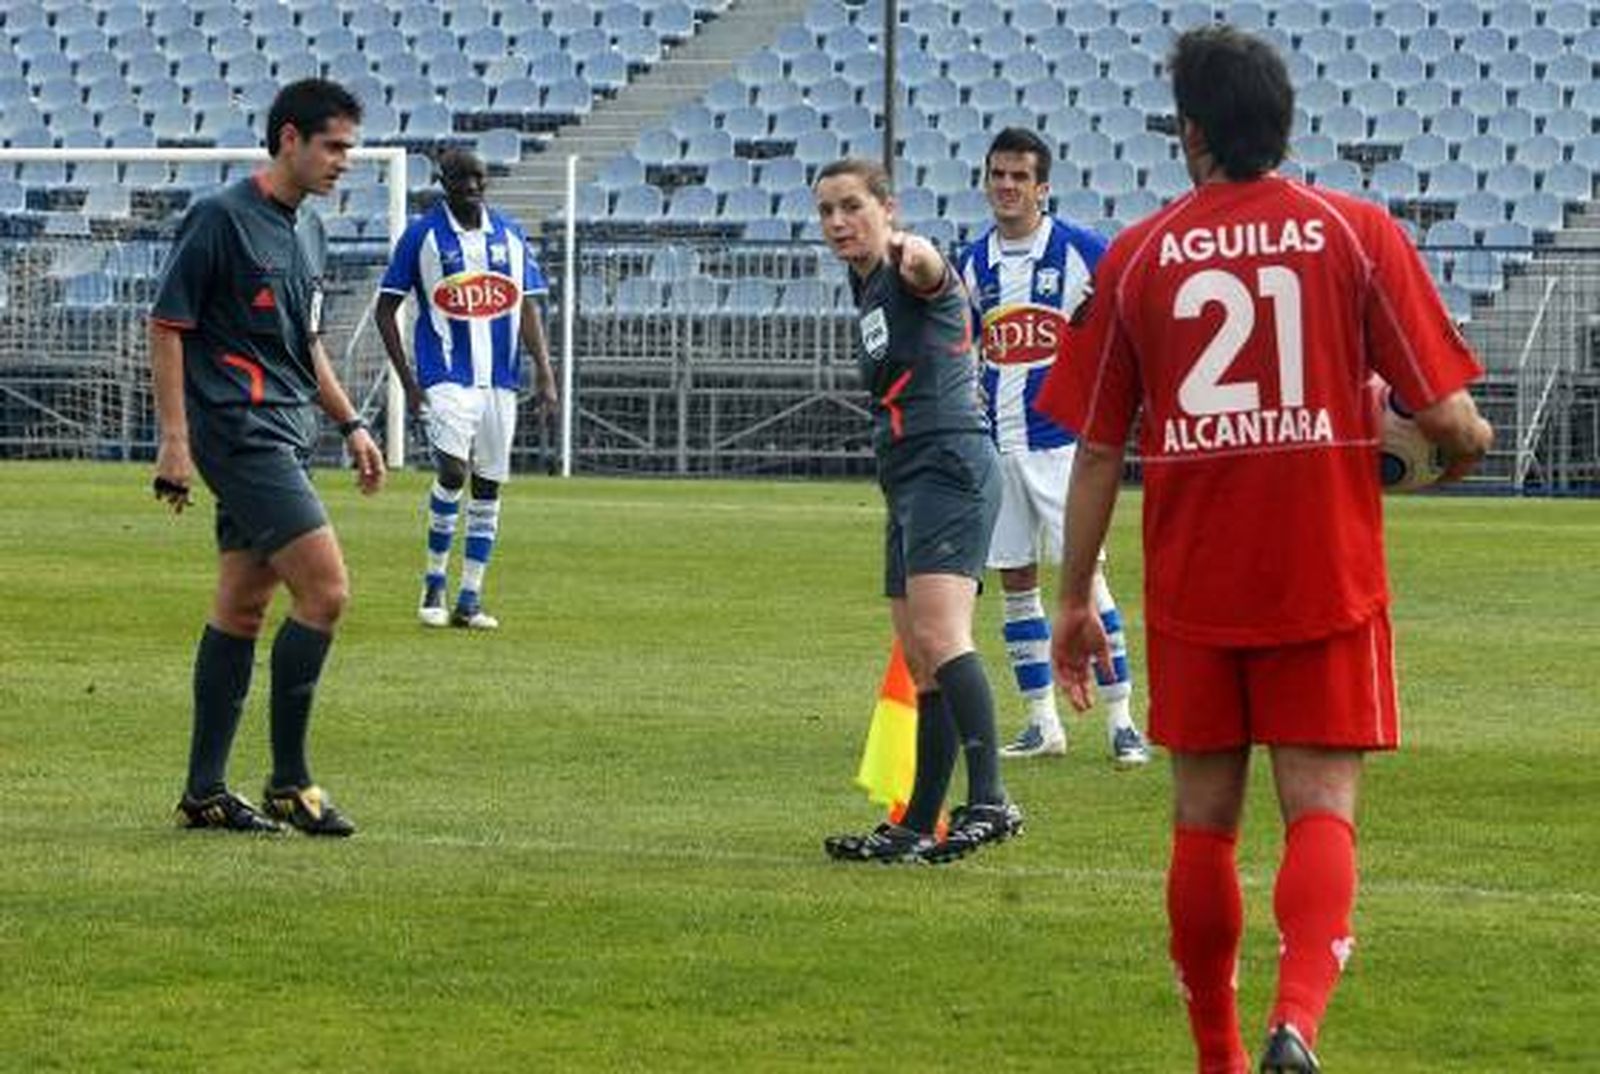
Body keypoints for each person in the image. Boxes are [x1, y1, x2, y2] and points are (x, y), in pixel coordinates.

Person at [1043, 26, 1493, 1074]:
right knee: (1319, 809)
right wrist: (1448, 453)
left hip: (1196, 579)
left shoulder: (1141, 255)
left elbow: (1099, 446)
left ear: (1189, 132)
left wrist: (1075, 597)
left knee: (1202, 824)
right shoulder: (1355, 234)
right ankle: (1296, 1022)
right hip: (1322, 571)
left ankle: (1218, 1056)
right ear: (1281, 123)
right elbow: (1451, 417)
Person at [151, 78, 383, 837]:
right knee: (327, 592)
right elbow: (168, 324)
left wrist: (351, 423)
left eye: (349, 147)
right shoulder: (219, 218)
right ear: (290, 138)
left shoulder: (309, 232)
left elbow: (304, 343)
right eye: (334, 145)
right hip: (238, 432)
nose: (344, 161)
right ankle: (290, 781)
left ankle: (204, 791)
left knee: (242, 607)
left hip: (287, 431)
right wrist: (177, 441)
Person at [813, 158, 1022, 865]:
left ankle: (991, 800)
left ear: (887, 208)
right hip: (906, 473)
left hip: (948, 462)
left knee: (942, 635)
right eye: (827, 212)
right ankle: (916, 823)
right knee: (922, 656)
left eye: (852, 207)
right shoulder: (864, 282)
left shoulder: (906, 263)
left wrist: (917, 250)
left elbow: (930, 270)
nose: (838, 222)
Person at [955, 126, 1149, 765]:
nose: (1006, 186)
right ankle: (1043, 722)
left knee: (1087, 580)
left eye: (1019, 177)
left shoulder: (1080, 251)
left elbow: (1130, 301)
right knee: (1016, 582)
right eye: (997, 175)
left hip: (1065, 446)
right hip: (998, 446)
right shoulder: (973, 261)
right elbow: (963, 343)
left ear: (1043, 188)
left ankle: (1123, 721)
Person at [374, 147, 556, 630]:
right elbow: (384, 310)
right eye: (461, 178)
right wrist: (410, 383)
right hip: (445, 376)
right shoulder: (422, 236)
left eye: (478, 177)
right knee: (453, 471)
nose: (471, 186)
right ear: (443, 181)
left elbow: (528, 308)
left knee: (489, 484)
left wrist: (546, 373)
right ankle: (434, 579)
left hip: (500, 379)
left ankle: (470, 596)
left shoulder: (510, 234)